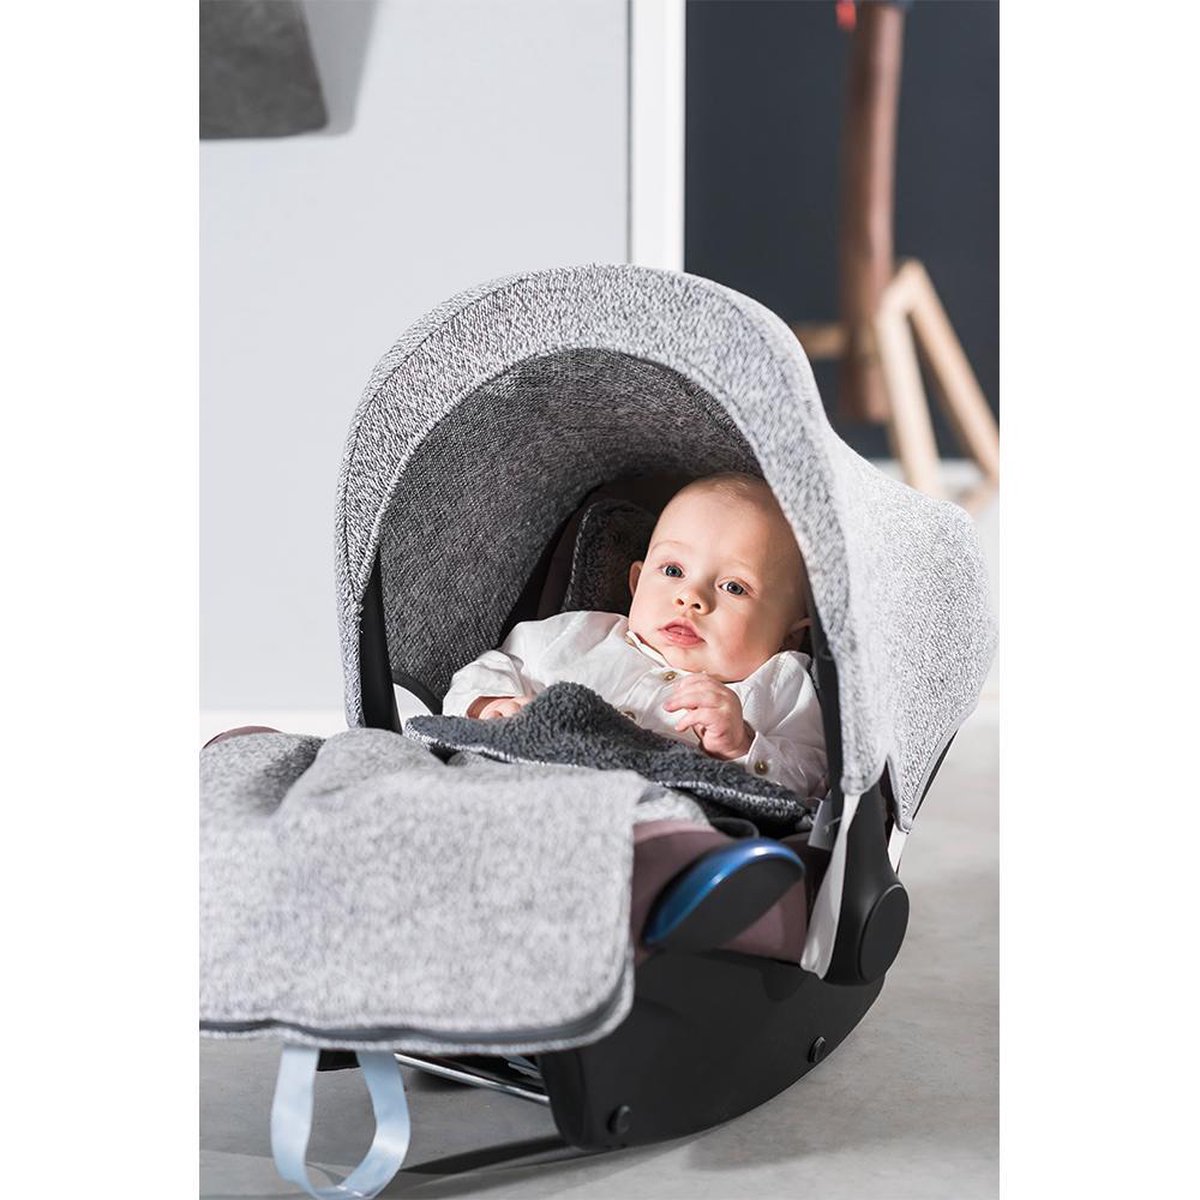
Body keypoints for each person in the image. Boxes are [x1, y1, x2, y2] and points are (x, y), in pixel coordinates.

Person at [442, 473, 827, 798]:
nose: (690, 597)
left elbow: (814, 781)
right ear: (637, 583)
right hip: (525, 784)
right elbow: (491, 667)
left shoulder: (779, 685)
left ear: (788, 638)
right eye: (673, 571)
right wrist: (490, 704)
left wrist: (741, 744)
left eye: (734, 587)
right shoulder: (581, 633)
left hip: (654, 818)